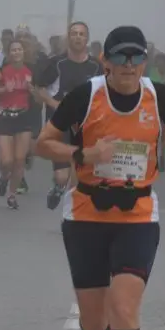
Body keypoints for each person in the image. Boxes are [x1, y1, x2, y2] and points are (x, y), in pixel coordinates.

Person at [34, 26, 165, 330]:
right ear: (106, 60)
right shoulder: (86, 96)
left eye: (135, 58)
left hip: (138, 214)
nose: (127, 66)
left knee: (124, 306)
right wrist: (85, 155)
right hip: (86, 213)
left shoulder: (160, 96)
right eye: (119, 58)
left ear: (144, 61)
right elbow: (43, 144)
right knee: (94, 316)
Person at [33, 21, 102, 210]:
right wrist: (55, 104)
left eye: (81, 34)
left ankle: (72, 215)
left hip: (85, 125)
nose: (78, 37)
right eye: (74, 34)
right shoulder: (57, 63)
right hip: (60, 124)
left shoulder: (96, 66)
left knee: (77, 175)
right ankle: (57, 187)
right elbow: (39, 88)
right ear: (68, 38)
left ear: (87, 39)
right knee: (62, 176)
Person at [0, 39, 34, 209]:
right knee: (7, 161)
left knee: (19, 159)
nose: (16, 52)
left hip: (23, 116)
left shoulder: (30, 71)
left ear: (24, 52)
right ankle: (4, 176)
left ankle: (12, 194)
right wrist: (2, 89)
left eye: (19, 49)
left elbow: (40, 93)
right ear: (9, 54)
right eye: (13, 50)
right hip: (4, 116)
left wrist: (32, 90)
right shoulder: (2, 72)